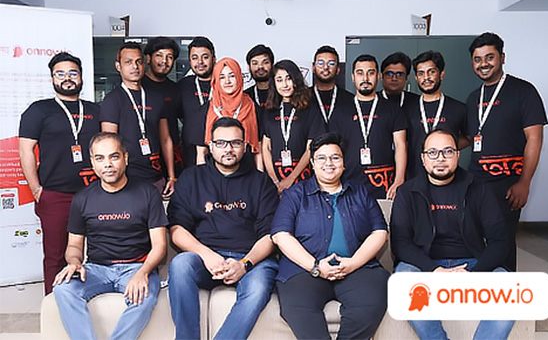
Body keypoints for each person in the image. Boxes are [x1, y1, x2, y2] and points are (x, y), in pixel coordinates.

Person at [391, 128, 514, 340]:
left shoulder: (478, 188)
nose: (440, 158)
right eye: (433, 152)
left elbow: (500, 240)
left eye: (448, 152)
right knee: (403, 280)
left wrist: (473, 275)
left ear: (458, 155)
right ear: (423, 159)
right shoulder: (407, 192)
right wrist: (434, 270)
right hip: (425, 265)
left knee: (508, 286)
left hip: (471, 264)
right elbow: (401, 243)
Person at [167, 118, 279, 340]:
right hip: (205, 259)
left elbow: (270, 235)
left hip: (250, 260)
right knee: (180, 265)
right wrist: (208, 256)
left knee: (258, 287)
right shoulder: (191, 178)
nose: (228, 149)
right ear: (210, 146)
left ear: (245, 146)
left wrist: (244, 264)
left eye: (235, 143)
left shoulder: (261, 182)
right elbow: (177, 230)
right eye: (221, 143)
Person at [272, 132, 390, 339]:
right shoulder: (295, 195)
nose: (329, 163)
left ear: (343, 163)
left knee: (370, 303)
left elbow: (380, 232)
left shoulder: (360, 192)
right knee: (297, 308)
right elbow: (281, 235)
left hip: (357, 268)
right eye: (321, 158)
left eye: (335, 157)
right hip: (305, 270)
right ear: (312, 164)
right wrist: (316, 267)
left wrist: (353, 263)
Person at [52, 132, 168, 340]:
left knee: (146, 296)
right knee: (63, 289)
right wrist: (74, 262)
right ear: (93, 163)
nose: (107, 164)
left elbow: (160, 245)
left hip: (136, 267)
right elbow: (74, 246)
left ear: (125, 158)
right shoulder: (82, 199)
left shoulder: (148, 193)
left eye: (114, 157)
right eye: (100, 158)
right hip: (96, 269)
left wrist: (143, 272)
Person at [18, 52, 100, 294]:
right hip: (55, 194)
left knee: (99, 250)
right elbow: (26, 151)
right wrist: (36, 189)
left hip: (94, 192)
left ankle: (90, 298)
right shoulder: (39, 110)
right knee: (55, 254)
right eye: (60, 73)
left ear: (81, 76)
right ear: (52, 78)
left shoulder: (95, 110)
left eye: (72, 73)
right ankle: (54, 305)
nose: (67, 78)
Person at [466, 32, 548, 271]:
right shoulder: (473, 98)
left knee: (501, 241)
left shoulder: (523, 91)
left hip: (507, 183)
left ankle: (504, 292)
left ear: (502, 57)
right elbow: (472, 137)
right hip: (476, 182)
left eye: (489, 57)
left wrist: (524, 182)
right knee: (474, 240)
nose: (483, 64)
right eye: (478, 59)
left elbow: (535, 138)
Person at [100, 42, 176, 197]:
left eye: (138, 62)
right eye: (128, 62)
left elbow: (166, 139)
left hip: (156, 177)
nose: (134, 66)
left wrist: (171, 176)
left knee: (159, 222)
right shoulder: (112, 100)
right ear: (118, 66)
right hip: (127, 179)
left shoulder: (156, 98)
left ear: (144, 64)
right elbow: (109, 144)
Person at [328, 54, 407, 200]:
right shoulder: (340, 111)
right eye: (360, 73)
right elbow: (333, 149)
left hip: (384, 184)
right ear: (353, 77)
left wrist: (399, 180)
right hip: (349, 183)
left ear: (378, 76)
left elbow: (400, 145)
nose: (365, 78)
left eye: (370, 73)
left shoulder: (392, 109)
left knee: (383, 222)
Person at [262, 59, 325, 194]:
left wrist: (290, 179)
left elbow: (310, 148)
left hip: (302, 177)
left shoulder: (310, 109)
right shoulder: (269, 111)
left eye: (288, 78)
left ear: (296, 80)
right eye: (279, 80)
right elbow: (266, 148)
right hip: (275, 180)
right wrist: (274, 180)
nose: (284, 84)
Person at [403, 51, 467, 179]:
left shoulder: (458, 108)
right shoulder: (406, 109)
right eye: (421, 73)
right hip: (413, 177)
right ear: (416, 78)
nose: (426, 77)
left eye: (431, 72)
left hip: (446, 175)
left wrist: (444, 149)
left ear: (441, 74)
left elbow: (468, 137)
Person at [203, 57, 261, 169]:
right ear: (216, 81)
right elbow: (202, 152)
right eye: (222, 77)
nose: (227, 81)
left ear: (239, 77)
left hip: (247, 171)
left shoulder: (251, 106)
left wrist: (260, 176)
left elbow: (258, 148)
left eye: (232, 76)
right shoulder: (207, 109)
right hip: (215, 173)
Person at [142, 36, 184, 177]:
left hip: (173, 157)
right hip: (145, 158)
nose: (164, 61)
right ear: (148, 58)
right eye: (159, 56)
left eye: (169, 57)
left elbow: (185, 118)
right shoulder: (138, 86)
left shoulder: (176, 89)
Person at [176, 36, 216, 167]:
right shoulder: (183, 86)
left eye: (205, 57)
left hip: (220, 153)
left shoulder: (224, 84)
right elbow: (181, 116)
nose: (200, 62)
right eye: (195, 58)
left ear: (214, 59)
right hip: (190, 154)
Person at [310, 45, 355, 127]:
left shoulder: (350, 99)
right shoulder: (303, 97)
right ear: (313, 68)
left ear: (338, 70)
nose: (325, 67)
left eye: (331, 63)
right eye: (320, 63)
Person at [244, 44, 274, 111]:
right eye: (255, 63)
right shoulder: (245, 96)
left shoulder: (282, 93)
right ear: (248, 68)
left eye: (265, 62)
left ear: (272, 65)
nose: (260, 67)